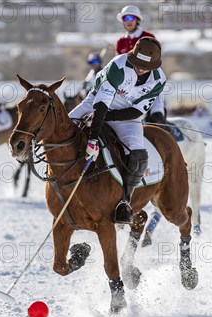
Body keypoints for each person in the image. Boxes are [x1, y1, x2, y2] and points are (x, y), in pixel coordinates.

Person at [69, 37, 166, 224]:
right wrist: (92, 139)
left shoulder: (158, 80)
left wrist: (109, 118)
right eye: (137, 63)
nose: (140, 68)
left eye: (145, 66)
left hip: (127, 117)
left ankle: (125, 202)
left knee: (139, 156)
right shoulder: (119, 66)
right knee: (65, 129)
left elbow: (137, 111)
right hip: (96, 104)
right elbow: (101, 106)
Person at [114, 5, 166, 125]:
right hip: (127, 82)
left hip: (147, 79)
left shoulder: (148, 37)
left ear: (138, 20)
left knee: (157, 114)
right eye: (125, 18)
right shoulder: (120, 42)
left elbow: (154, 62)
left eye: (131, 17)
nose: (128, 21)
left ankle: (162, 124)